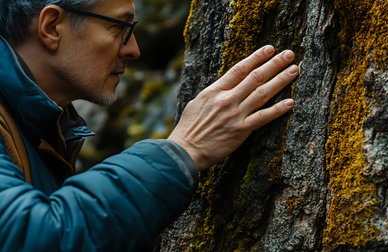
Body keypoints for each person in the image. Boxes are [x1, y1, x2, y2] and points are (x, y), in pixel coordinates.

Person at [0, 0, 299, 250]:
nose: (133, 49)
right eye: (119, 27)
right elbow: (33, 237)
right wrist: (182, 151)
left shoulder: (36, 128)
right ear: (52, 26)